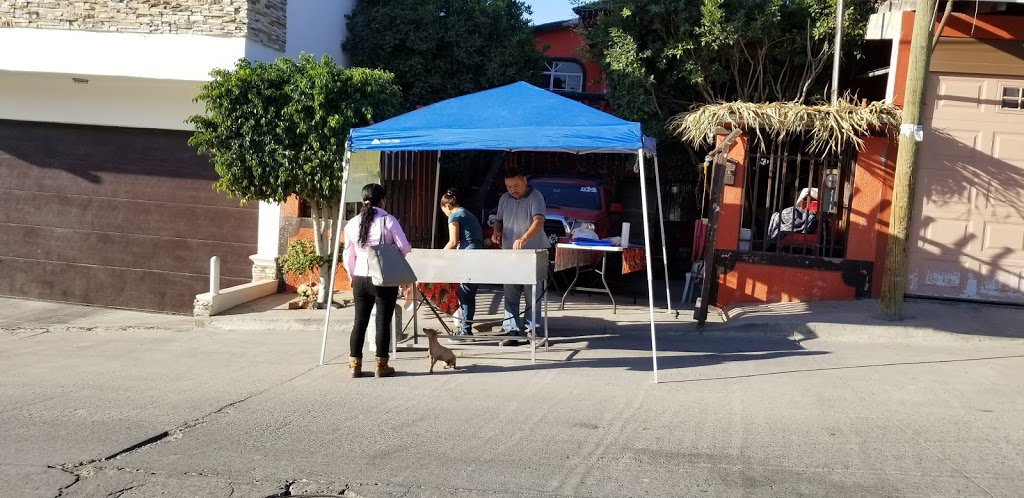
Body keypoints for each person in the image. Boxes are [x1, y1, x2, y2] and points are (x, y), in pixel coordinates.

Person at [342, 183, 411, 378]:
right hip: (383, 278)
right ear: (382, 200)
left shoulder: (352, 223)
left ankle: (354, 365)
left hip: (360, 277)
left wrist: (351, 275)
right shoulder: (388, 220)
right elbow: (404, 247)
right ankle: (381, 365)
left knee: (359, 321)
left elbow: (348, 254)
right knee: (382, 321)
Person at [490, 167, 549, 346]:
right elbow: (498, 220)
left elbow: (539, 221)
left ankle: (533, 330)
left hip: (533, 254)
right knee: (510, 294)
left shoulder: (535, 196)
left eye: (516, 185)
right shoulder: (504, 199)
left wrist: (524, 237)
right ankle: (512, 331)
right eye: (508, 186)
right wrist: (496, 232)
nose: (513, 189)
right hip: (510, 254)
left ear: (524, 181)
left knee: (532, 294)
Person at [439, 187, 484, 340]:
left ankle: (465, 330)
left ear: (448, 206)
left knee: (465, 294)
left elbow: (453, 241)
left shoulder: (454, 215)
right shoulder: (467, 213)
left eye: (443, 210)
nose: (445, 214)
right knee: (469, 293)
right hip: (477, 253)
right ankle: (466, 327)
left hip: (468, 254)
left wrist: (439, 257)